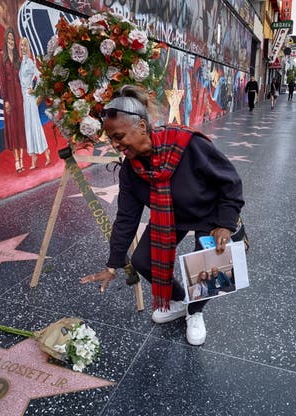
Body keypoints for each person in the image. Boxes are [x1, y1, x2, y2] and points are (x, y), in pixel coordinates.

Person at [80, 85, 245, 346]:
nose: (114, 144)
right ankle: (180, 300)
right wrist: (112, 264)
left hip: (210, 213)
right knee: (144, 260)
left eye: (119, 136)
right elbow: (126, 219)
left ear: (142, 127)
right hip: (171, 217)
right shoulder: (131, 171)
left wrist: (225, 223)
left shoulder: (188, 144)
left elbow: (231, 182)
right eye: (111, 138)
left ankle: (195, 312)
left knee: (209, 265)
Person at [19, 37, 50, 169]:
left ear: (28, 47)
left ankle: (46, 151)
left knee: (35, 126)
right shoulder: (22, 63)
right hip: (25, 100)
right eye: (21, 45)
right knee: (29, 128)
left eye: (25, 45)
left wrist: (35, 91)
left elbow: (41, 77)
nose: (22, 48)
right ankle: (34, 159)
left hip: (30, 99)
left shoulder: (30, 62)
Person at [0, 28, 26, 173]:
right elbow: (2, 80)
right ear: (5, 40)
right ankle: (16, 160)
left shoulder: (17, 58)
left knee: (20, 128)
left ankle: (22, 160)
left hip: (19, 96)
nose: (10, 42)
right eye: (8, 40)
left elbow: (22, 78)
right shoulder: (1, 56)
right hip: (10, 96)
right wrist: (5, 100)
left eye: (12, 40)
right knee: (12, 127)